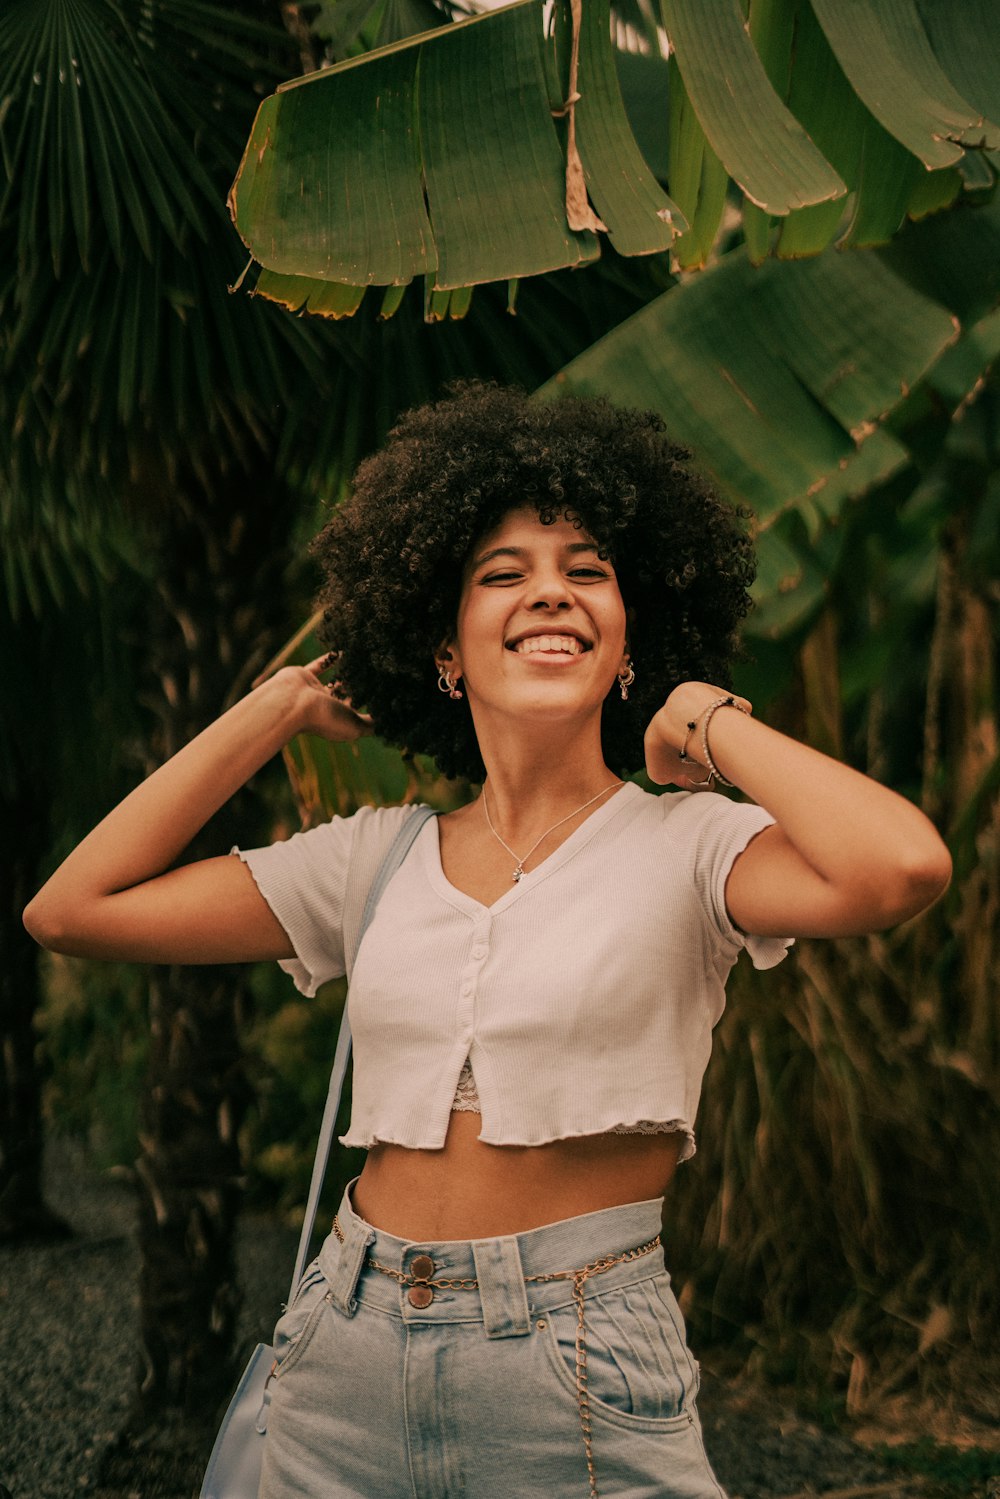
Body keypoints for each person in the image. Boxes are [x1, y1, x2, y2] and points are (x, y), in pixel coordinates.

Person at [24, 382, 951, 1499]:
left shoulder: (696, 844)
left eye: (588, 570)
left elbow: (901, 866)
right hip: (343, 1349)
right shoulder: (368, 859)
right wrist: (270, 709)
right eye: (501, 573)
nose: (548, 591)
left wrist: (706, 714)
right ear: (446, 647)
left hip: (580, 1365)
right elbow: (68, 910)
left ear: (627, 638)